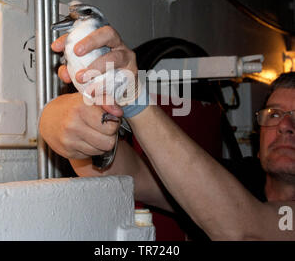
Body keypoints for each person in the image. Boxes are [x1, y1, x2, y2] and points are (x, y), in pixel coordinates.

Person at [39, 25, 295, 240]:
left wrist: (134, 97)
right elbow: (132, 176)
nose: (284, 126)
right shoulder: (237, 177)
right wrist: (66, 124)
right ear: (258, 138)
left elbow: (246, 232)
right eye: (274, 114)